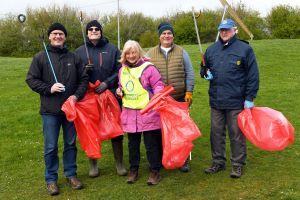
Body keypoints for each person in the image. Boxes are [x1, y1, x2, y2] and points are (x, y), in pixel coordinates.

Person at [26, 22, 89, 195]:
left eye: (61, 34)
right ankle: (51, 179)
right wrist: (49, 88)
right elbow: (31, 79)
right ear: (49, 36)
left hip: (70, 109)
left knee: (70, 143)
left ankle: (71, 174)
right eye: (54, 33)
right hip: (50, 110)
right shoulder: (40, 57)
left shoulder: (74, 57)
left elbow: (83, 79)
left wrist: (76, 96)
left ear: (65, 37)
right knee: (51, 146)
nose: (57, 36)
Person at [200, 19, 259, 178]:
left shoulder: (245, 49)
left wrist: (250, 97)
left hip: (236, 101)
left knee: (236, 133)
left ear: (234, 30)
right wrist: (205, 73)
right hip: (216, 100)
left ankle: (237, 164)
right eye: (221, 30)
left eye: (227, 30)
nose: (224, 32)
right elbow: (203, 68)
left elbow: (253, 75)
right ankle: (218, 162)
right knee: (216, 133)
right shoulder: (211, 49)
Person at [75, 20, 127, 177]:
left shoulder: (112, 49)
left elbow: (121, 69)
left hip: (110, 94)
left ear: (101, 31)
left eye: (97, 28)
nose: (93, 30)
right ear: (86, 33)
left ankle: (119, 163)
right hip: (88, 97)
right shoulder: (79, 51)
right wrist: (84, 71)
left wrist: (107, 83)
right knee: (91, 130)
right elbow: (75, 74)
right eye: (90, 29)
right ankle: (93, 165)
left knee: (115, 130)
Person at [147, 22, 195, 172]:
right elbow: (145, 74)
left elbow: (190, 73)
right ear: (159, 36)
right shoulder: (150, 53)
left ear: (173, 36)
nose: (166, 36)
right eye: (163, 33)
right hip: (160, 100)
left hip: (179, 97)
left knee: (181, 130)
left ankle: (183, 160)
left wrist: (189, 91)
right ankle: (164, 158)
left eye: (169, 33)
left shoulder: (181, 52)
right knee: (161, 130)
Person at [116, 40, 164, 185]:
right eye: (128, 53)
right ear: (124, 55)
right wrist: (119, 91)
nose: (131, 55)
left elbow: (158, 85)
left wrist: (158, 96)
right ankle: (133, 170)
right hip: (130, 114)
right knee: (133, 144)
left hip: (148, 112)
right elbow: (121, 85)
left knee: (151, 144)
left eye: (134, 52)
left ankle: (155, 171)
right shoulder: (122, 70)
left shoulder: (149, 68)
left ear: (139, 52)